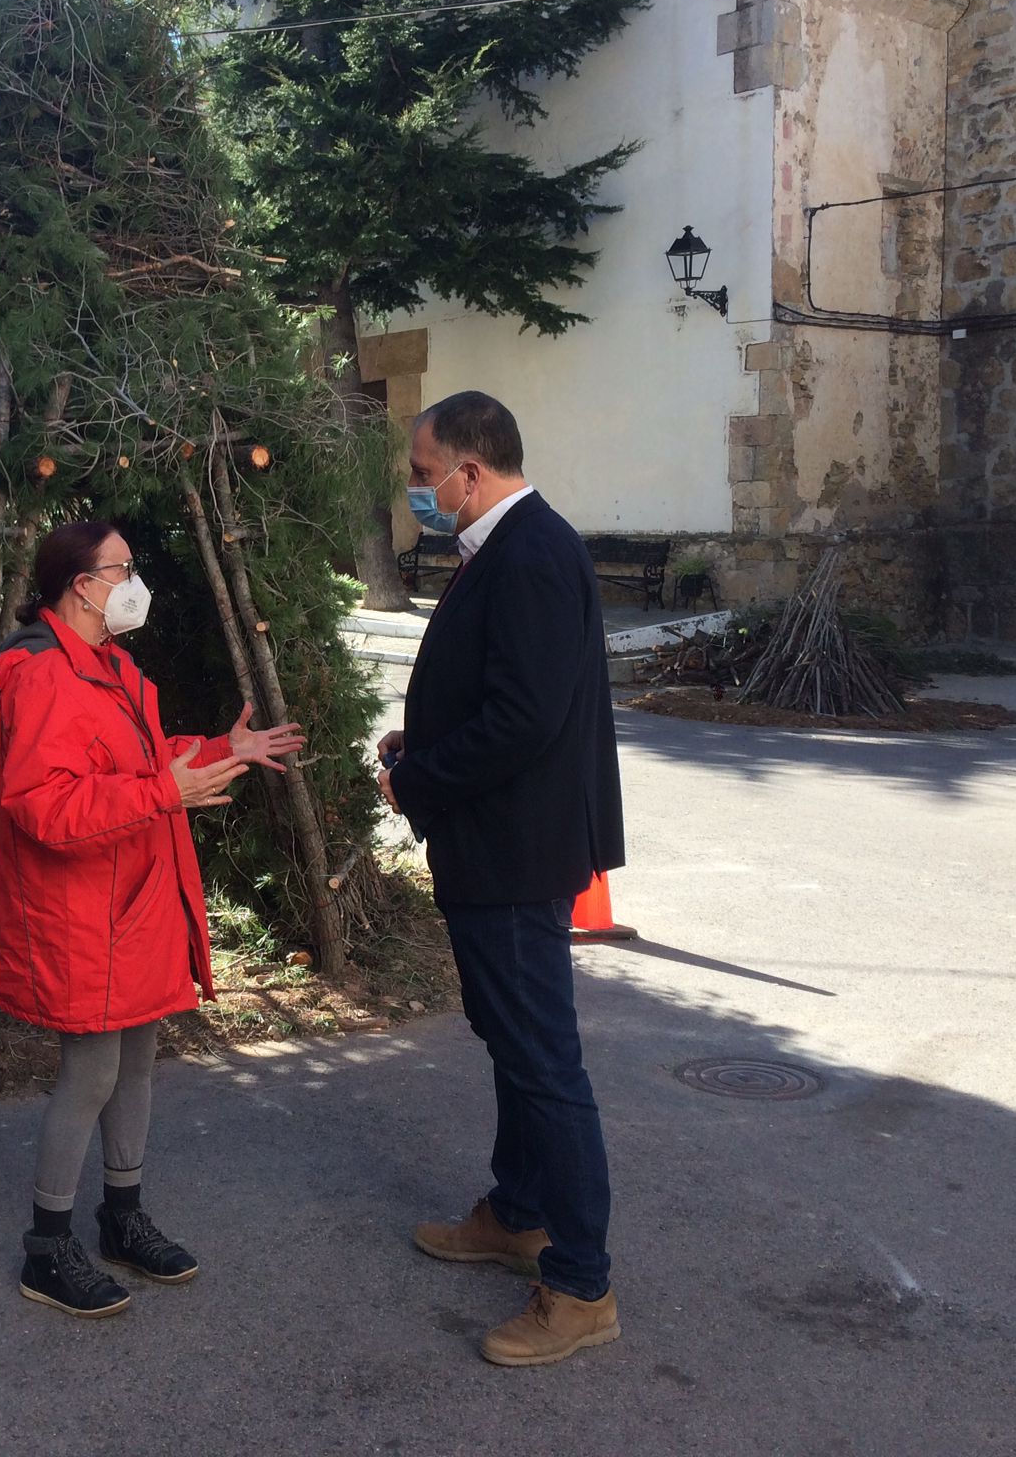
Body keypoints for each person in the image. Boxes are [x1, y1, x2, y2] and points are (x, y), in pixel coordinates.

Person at [0, 520, 305, 1318]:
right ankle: (46, 1250)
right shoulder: (44, 675)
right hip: (85, 911)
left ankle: (122, 1219)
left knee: (139, 1065)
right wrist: (164, 793)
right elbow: (42, 808)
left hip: (136, 900)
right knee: (90, 1075)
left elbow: (134, 758)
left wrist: (218, 745)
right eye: (122, 569)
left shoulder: (110, 664)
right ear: (81, 586)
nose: (133, 582)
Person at [375, 390, 626, 1369]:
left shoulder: (528, 554)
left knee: (541, 1062)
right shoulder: (514, 550)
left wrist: (418, 776)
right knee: (516, 1044)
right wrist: (424, 741)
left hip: (512, 854)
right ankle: (516, 1212)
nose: (414, 490)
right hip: (502, 845)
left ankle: (578, 1285)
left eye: (420, 471)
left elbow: (521, 720)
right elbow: (507, 698)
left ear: (469, 473)